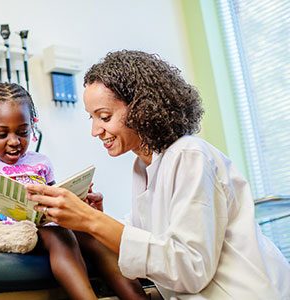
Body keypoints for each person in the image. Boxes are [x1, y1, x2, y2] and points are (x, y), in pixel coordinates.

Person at [26, 50, 290, 299]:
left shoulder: (189, 155)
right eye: (91, 118)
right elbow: (151, 245)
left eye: (104, 117)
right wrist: (96, 217)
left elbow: (190, 268)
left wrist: (92, 220)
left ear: (142, 108)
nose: (95, 131)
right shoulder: (145, 167)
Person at [0, 82, 148, 300]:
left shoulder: (41, 162)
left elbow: (54, 200)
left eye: (23, 132)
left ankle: (138, 298)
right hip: (8, 233)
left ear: (32, 126)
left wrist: (78, 202)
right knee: (59, 235)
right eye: (2, 134)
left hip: (43, 227)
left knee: (93, 236)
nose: (15, 141)